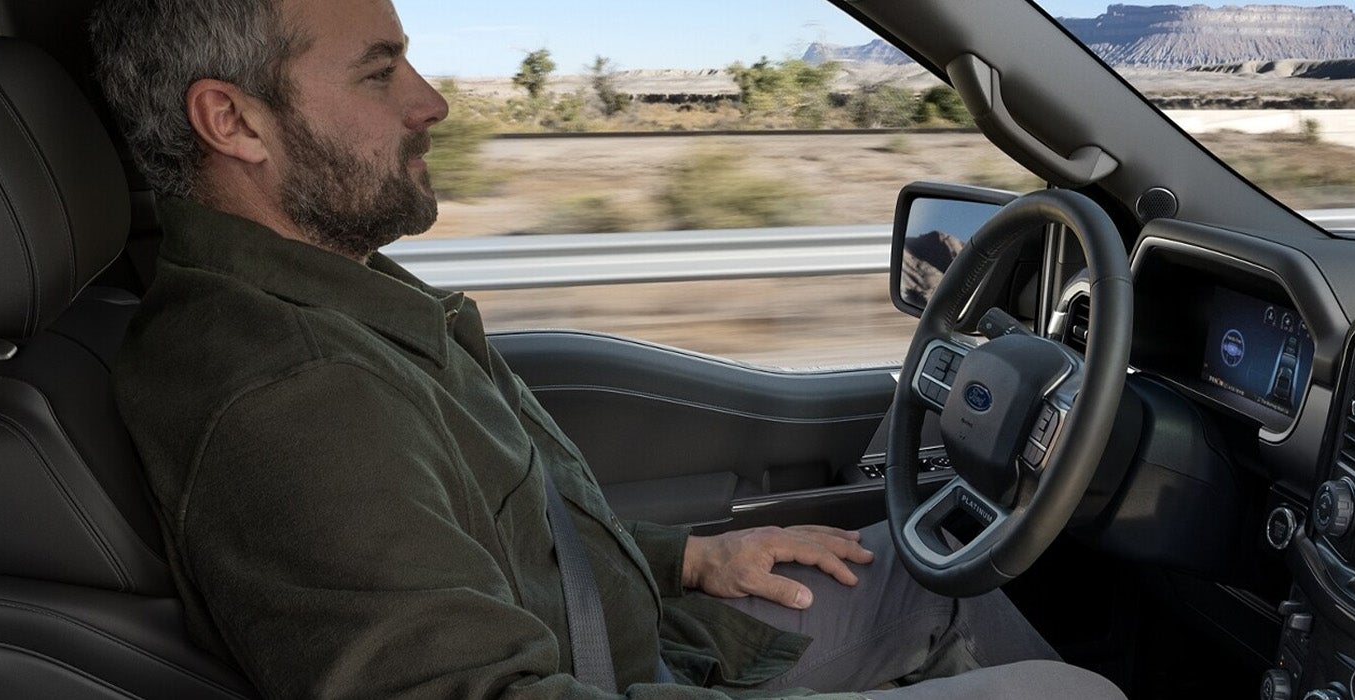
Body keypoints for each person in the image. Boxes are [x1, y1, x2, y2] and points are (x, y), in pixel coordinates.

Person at [90, 0, 1126, 698]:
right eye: (379, 71)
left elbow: (486, 543)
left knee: (934, 576)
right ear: (234, 121)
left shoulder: (324, 295)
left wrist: (687, 557)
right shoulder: (288, 394)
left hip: (647, 647)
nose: (431, 102)